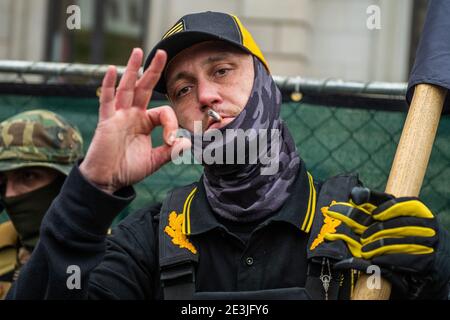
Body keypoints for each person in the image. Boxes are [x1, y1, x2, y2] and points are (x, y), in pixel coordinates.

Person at [6, 11, 450, 300]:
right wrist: (91, 191)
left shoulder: (365, 227)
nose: (205, 96)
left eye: (221, 70)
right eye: (183, 88)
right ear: (175, 115)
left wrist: (430, 277)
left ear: (264, 82)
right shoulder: (147, 242)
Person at [0, 110, 83, 299]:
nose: (9, 194)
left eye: (28, 176)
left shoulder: (108, 254)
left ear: (66, 182)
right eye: (2, 182)